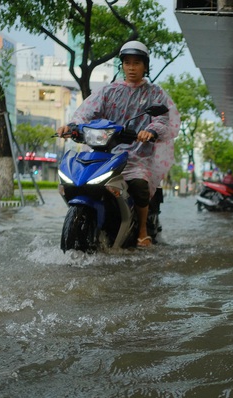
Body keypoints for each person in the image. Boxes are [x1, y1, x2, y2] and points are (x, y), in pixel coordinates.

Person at [56, 40, 180, 247]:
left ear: (145, 66)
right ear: (122, 65)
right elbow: (86, 112)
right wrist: (71, 126)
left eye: (137, 63)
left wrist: (150, 131)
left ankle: (141, 231)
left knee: (140, 185)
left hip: (137, 155)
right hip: (107, 151)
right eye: (127, 63)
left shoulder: (154, 93)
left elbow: (162, 120)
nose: (132, 68)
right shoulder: (108, 91)